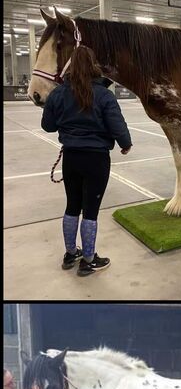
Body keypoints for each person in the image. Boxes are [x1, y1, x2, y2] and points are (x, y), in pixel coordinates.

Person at [41, 45, 133, 276]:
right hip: (96, 160)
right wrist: (125, 144)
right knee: (90, 210)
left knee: (72, 206)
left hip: (71, 158)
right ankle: (89, 260)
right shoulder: (104, 95)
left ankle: (71, 253)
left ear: (70, 66)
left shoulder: (58, 93)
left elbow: (48, 126)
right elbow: (117, 125)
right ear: (94, 66)